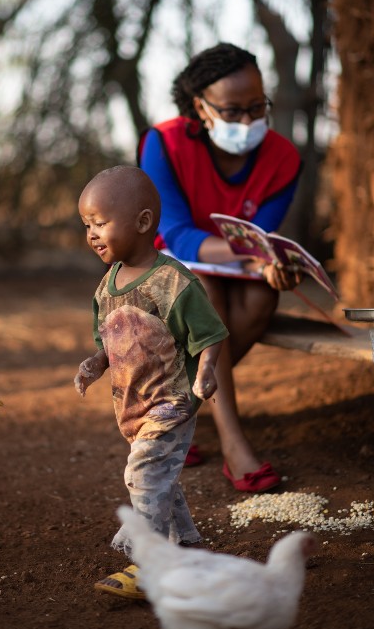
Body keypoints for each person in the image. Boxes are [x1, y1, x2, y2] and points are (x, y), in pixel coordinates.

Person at [138, 42, 303, 492]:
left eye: (257, 107)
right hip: (167, 274)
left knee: (263, 294)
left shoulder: (284, 159)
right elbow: (175, 233)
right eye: (232, 111)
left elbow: (262, 236)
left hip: (238, 274)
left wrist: (269, 263)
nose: (248, 122)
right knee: (203, 290)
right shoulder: (164, 143)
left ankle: (178, 410)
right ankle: (234, 444)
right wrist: (254, 254)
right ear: (201, 107)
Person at [74, 165, 228, 600]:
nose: (91, 233)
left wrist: (207, 371)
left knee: (143, 474)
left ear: (142, 222)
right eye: (87, 225)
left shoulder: (172, 282)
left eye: (100, 223)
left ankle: (151, 565)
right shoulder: (106, 287)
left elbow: (210, 333)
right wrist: (95, 363)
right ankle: (190, 548)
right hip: (133, 406)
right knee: (162, 479)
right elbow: (111, 341)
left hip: (171, 402)